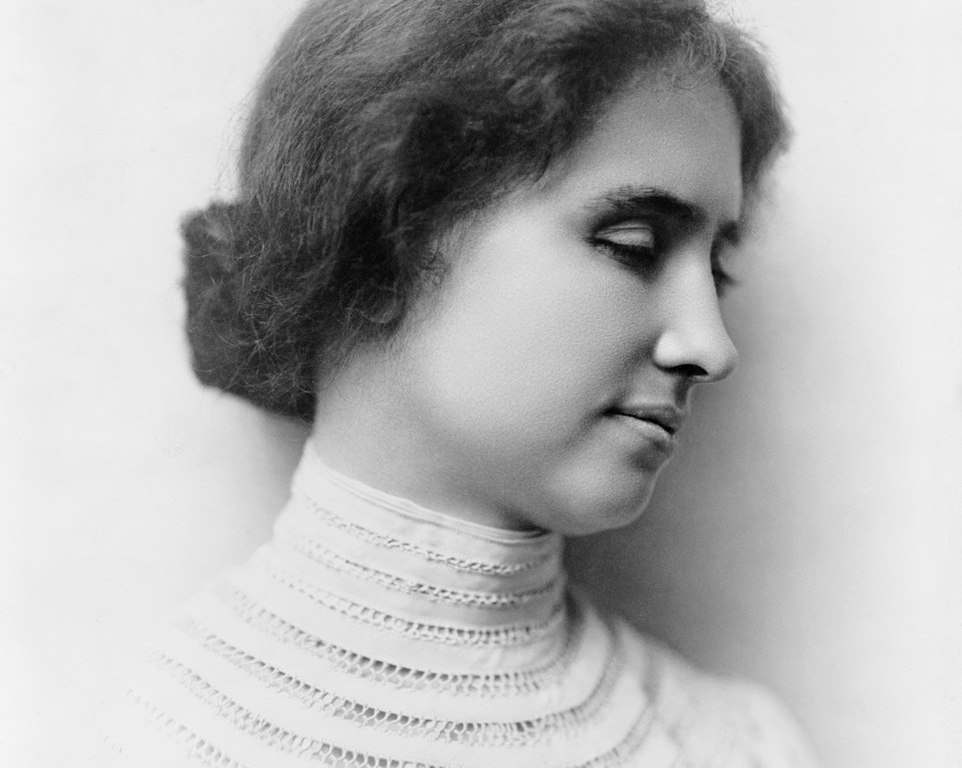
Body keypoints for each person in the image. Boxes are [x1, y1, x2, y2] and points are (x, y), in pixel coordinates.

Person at [109, 0, 819, 765]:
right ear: (389, 229)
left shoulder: (739, 745)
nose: (710, 346)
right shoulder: (136, 740)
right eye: (633, 244)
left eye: (716, 272)